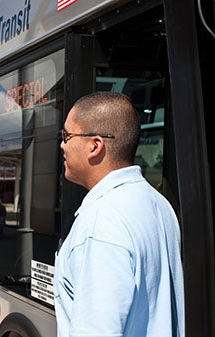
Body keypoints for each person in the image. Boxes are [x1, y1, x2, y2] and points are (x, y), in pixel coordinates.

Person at [53, 92, 184, 337]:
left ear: (95, 146)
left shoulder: (102, 222)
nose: (62, 144)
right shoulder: (159, 204)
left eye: (67, 136)